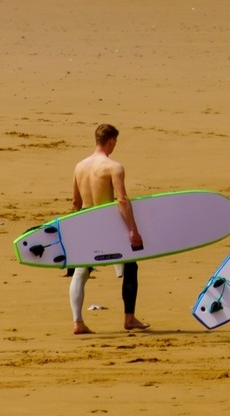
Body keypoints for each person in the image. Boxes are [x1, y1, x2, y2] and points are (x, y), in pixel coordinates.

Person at [68, 123, 148, 334]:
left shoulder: (79, 166)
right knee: (131, 266)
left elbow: (75, 202)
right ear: (111, 141)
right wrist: (132, 230)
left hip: (85, 221)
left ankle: (78, 322)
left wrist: (74, 233)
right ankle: (129, 318)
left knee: (80, 272)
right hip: (107, 224)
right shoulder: (114, 167)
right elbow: (121, 200)